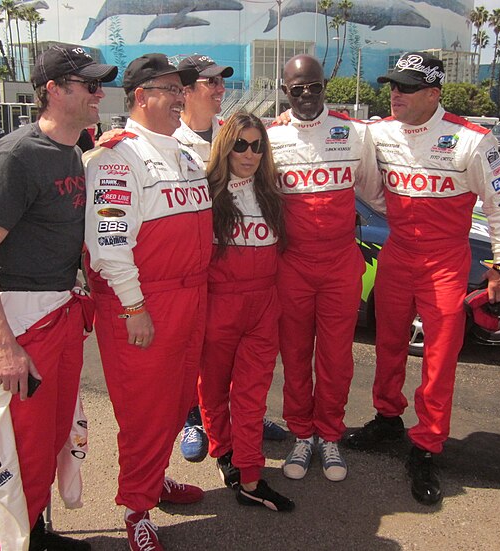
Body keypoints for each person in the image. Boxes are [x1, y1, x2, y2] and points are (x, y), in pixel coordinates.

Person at [0, 44, 117, 551]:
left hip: (60, 313)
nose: (100, 93)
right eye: (90, 85)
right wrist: (3, 345)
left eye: (100, 84)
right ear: (53, 90)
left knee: (51, 437)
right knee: (18, 447)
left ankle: (35, 532)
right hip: (20, 322)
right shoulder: (16, 156)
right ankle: (3, 544)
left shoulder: (74, 148)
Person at [345, 52, 500, 505]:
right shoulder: (379, 131)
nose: (394, 94)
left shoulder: (473, 140)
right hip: (398, 254)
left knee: (439, 359)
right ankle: (387, 419)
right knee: (387, 343)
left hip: (446, 263)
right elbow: (341, 139)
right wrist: (289, 114)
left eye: (404, 87)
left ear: (433, 94)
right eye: (392, 86)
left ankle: (427, 444)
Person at [83, 53, 211, 551]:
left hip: (191, 296)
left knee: (177, 402)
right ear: (141, 95)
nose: (182, 97)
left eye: (183, 89)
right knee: (143, 412)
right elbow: (108, 242)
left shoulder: (183, 151)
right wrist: (134, 307)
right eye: (171, 89)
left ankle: (154, 479)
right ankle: (136, 508)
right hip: (145, 304)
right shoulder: (117, 156)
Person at [267, 54, 375, 482]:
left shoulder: (353, 132)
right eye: (298, 89)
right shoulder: (270, 137)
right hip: (290, 265)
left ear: (325, 86)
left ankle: (329, 434)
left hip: (339, 264)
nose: (307, 96)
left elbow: (375, 193)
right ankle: (301, 434)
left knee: (336, 357)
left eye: (314, 87)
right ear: (284, 90)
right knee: (294, 355)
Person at [174, 54, 287, 463]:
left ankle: (246, 424)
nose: (220, 89)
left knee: (246, 377)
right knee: (206, 371)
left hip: (251, 295)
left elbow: (262, 148)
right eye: (211, 82)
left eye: (223, 82)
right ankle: (193, 419)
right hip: (206, 285)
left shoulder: (234, 131)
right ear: (185, 89)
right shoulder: (167, 140)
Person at [200, 111, 294, 512]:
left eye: (258, 145)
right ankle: (224, 454)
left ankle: (251, 474)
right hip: (218, 304)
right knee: (214, 389)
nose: (250, 153)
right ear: (225, 146)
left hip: (262, 307)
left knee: (252, 396)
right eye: (241, 144)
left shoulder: (273, 193)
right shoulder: (203, 191)